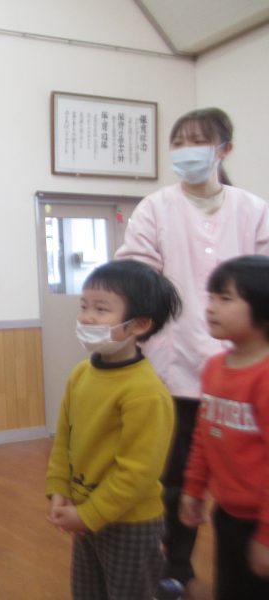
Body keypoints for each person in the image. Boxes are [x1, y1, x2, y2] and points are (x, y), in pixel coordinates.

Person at [114, 107, 269, 599]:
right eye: (178, 142)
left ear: (224, 149)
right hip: (174, 366)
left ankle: (254, 550)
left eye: (197, 141)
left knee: (250, 469)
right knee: (178, 477)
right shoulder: (155, 207)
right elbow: (136, 275)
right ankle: (177, 566)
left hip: (245, 364)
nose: (185, 151)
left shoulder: (253, 209)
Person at [46, 260, 182, 600]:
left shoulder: (145, 392)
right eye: (84, 306)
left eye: (101, 309)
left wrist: (87, 515)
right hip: (86, 514)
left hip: (130, 523)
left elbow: (137, 473)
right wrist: (59, 489)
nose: (87, 317)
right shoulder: (81, 374)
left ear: (140, 324)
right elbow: (64, 440)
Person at [180, 255, 269, 599]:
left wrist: (266, 536)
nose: (211, 307)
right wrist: (193, 489)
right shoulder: (215, 367)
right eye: (211, 297)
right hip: (229, 513)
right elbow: (203, 436)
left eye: (226, 298)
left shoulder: (264, 376)